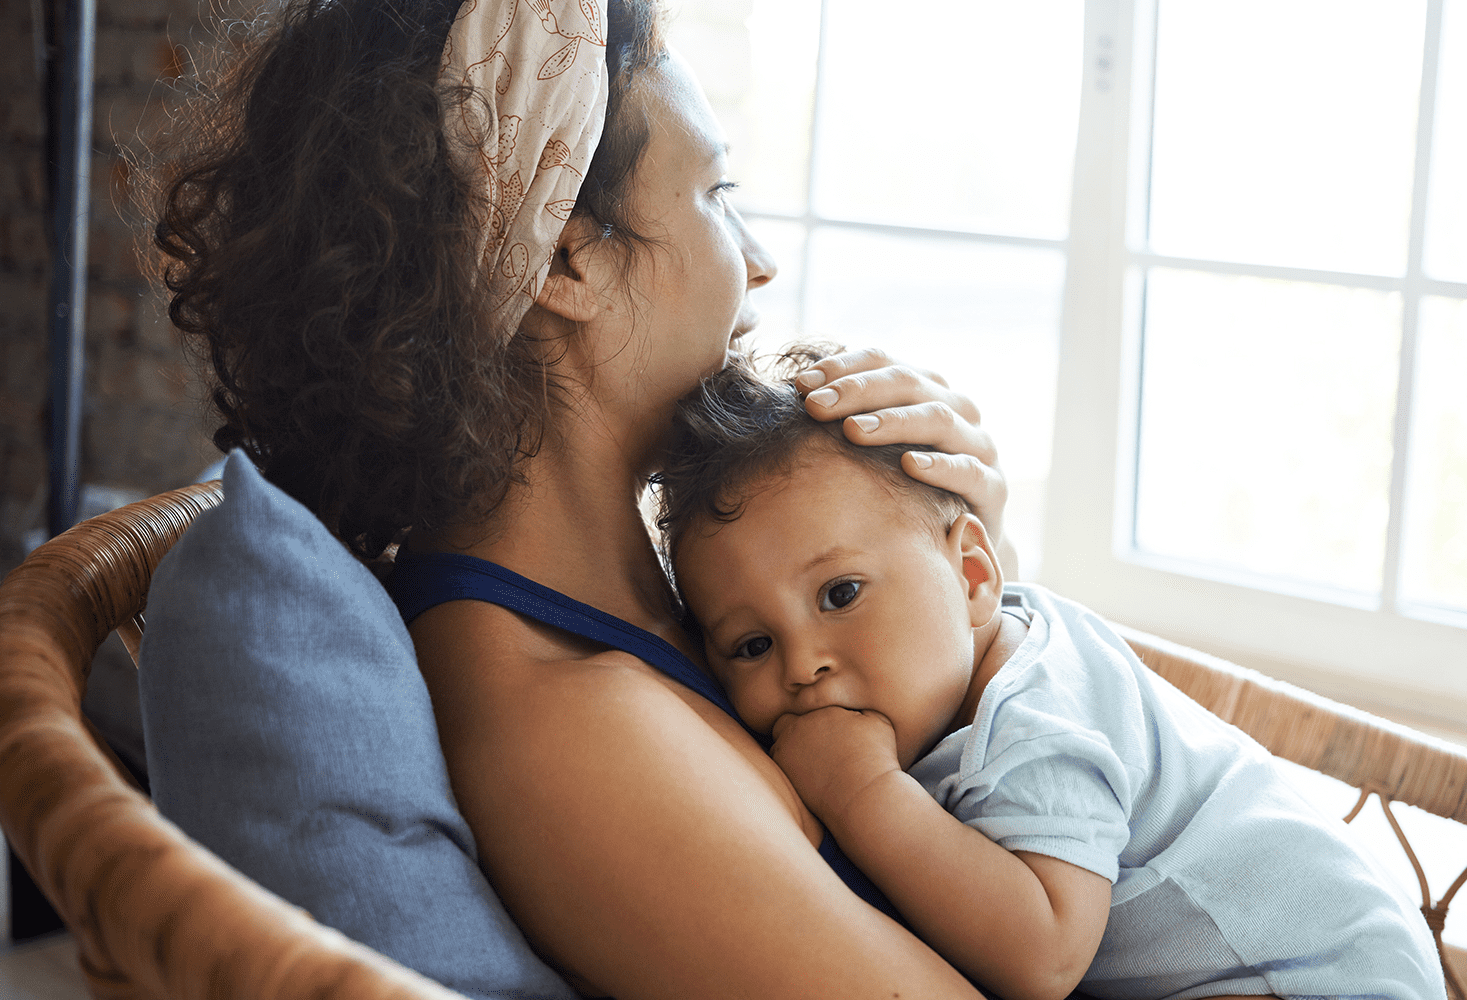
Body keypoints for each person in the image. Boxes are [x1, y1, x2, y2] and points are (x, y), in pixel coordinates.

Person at [151, 0, 1010, 994]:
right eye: (715, 194)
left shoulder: (668, 599)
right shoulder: (574, 733)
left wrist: (966, 571)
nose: (760, 264)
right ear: (567, 258)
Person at [654, 353, 1448, 1000]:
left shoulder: (1031, 722)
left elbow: (1044, 960)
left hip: (1307, 973)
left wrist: (862, 792)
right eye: (752, 645)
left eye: (840, 595)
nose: (804, 665)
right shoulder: (956, 663)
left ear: (972, 576)